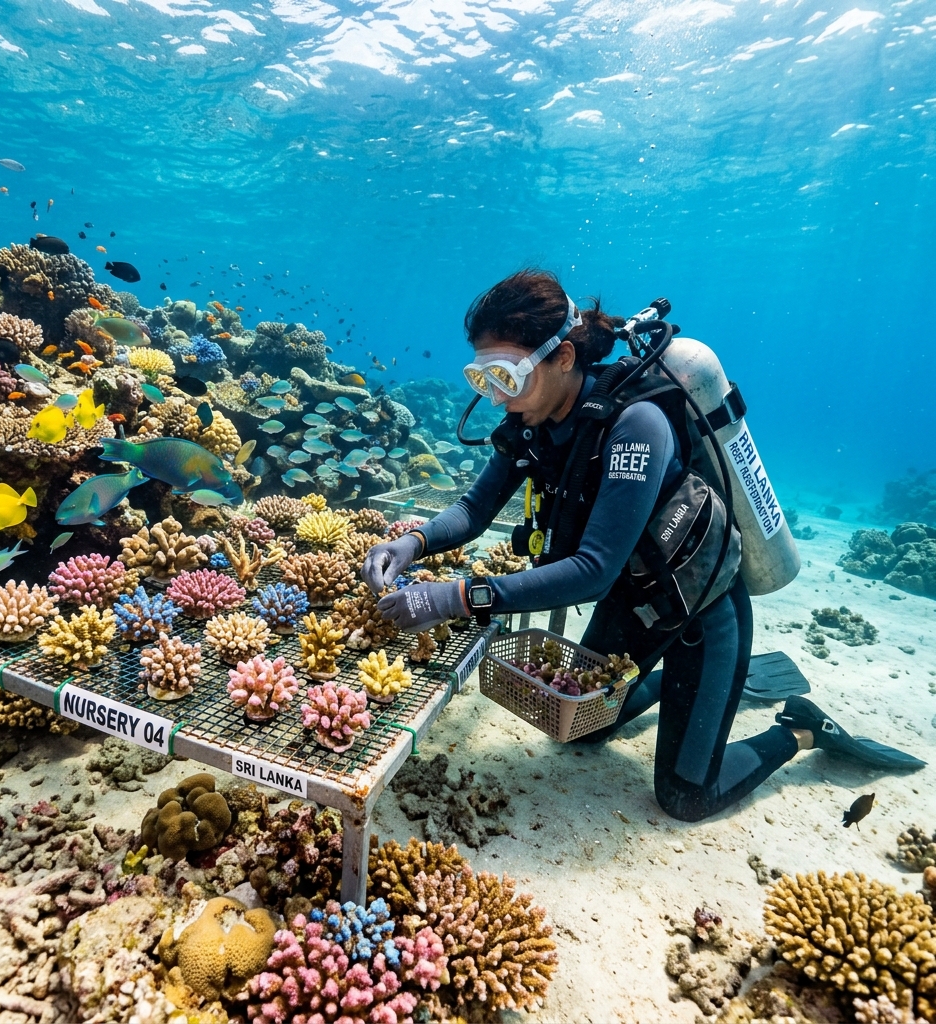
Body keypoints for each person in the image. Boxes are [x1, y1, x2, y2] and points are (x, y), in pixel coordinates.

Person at [363, 270, 924, 823]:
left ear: (563, 357)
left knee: (685, 797)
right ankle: (684, 687)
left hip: (699, 615)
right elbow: (472, 510)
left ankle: (800, 729)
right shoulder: (531, 424)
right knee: (577, 727)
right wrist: (412, 541)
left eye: (508, 376)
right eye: (483, 378)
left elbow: (593, 570)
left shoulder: (636, 425)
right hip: (631, 607)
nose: (496, 398)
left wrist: (456, 597)